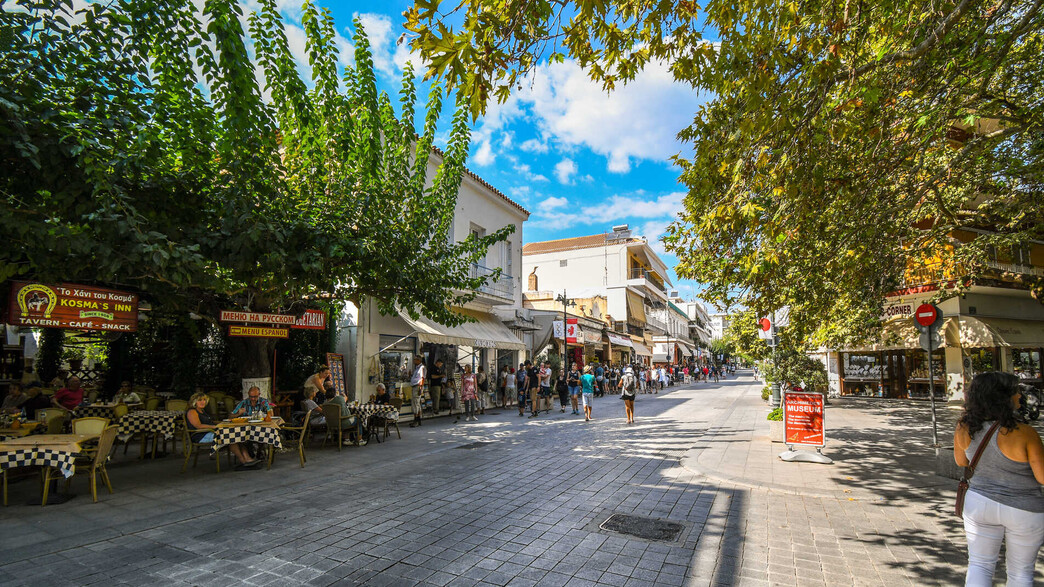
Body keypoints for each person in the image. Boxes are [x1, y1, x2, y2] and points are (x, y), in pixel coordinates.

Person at [954, 372, 1044, 586]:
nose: (1019, 396)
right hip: (1024, 508)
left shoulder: (963, 427)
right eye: (1015, 391)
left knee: (979, 564)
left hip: (979, 504)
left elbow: (961, 462)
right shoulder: (1025, 433)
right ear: (1002, 397)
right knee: (1021, 572)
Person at [186, 392, 260, 470]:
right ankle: (243, 461)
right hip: (200, 435)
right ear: (194, 402)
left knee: (237, 436)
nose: (202, 402)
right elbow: (198, 426)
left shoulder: (202, 411)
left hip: (210, 432)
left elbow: (210, 422)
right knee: (231, 437)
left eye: (204, 400)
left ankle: (247, 459)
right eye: (200, 400)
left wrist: (223, 422)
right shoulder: (192, 411)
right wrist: (215, 427)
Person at [409, 356, 426, 428]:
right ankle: (418, 419)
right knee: (417, 403)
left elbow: (422, 378)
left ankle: (416, 420)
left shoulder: (422, 368)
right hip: (415, 386)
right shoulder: (417, 368)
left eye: (415, 360)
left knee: (415, 403)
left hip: (417, 387)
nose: (414, 361)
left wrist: (420, 388)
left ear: (418, 360)